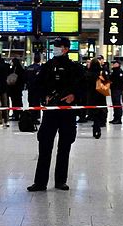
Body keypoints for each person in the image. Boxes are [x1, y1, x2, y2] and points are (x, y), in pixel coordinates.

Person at [28, 37, 85, 192]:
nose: (55, 49)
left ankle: (60, 180)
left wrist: (74, 96)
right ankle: (40, 182)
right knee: (45, 146)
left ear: (66, 48)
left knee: (64, 147)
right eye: (54, 46)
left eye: (58, 46)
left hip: (67, 112)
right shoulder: (48, 66)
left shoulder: (75, 68)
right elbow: (37, 85)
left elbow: (84, 87)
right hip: (51, 112)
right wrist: (43, 97)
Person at [86, 57, 109, 139]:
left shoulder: (88, 73)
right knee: (100, 110)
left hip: (92, 95)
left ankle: (96, 127)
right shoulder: (101, 73)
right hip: (100, 94)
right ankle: (99, 125)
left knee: (94, 112)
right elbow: (107, 81)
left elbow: (86, 84)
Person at [25, 53, 44, 125]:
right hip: (37, 89)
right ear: (39, 59)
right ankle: (36, 118)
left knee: (30, 102)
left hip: (30, 88)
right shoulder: (40, 68)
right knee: (36, 103)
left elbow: (25, 78)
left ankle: (31, 116)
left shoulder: (29, 68)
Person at [109, 59, 123, 124]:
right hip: (114, 89)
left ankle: (118, 119)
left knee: (117, 104)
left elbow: (120, 82)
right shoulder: (114, 71)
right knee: (114, 104)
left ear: (118, 64)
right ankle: (115, 118)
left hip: (117, 90)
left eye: (115, 63)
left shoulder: (119, 72)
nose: (113, 64)